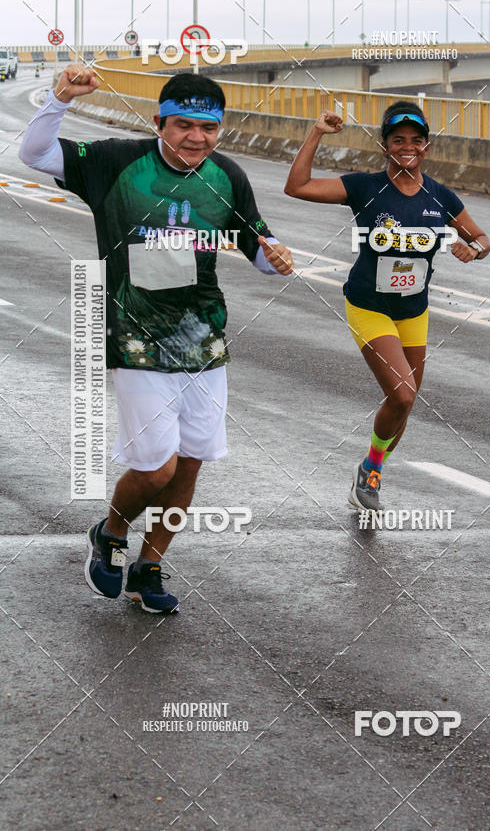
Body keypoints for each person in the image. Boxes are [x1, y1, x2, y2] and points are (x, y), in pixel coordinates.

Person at [19, 66, 293, 613]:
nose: (196, 138)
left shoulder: (227, 176)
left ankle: (149, 566)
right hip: (136, 339)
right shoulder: (117, 162)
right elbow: (35, 153)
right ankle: (111, 533)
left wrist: (275, 256)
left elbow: (257, 245)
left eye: (208, 128)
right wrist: (58, 99)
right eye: (183, 125)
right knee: (156, 468)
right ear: (159, 122)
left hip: (204, 341)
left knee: (189, 464)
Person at [284, 100, 490, 512]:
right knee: (402, 394)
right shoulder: (365, 187)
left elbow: (482, 238)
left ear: (427, 147)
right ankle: (371, 469)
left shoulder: (440, 197)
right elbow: (297, 186)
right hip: (369, 305)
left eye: (416, 140)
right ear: (384, 146)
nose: (407, 147)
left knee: (405, 403)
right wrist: (317, 133)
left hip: (414, 311)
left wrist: (474, 250)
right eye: (398, 140)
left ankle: (371, 470)